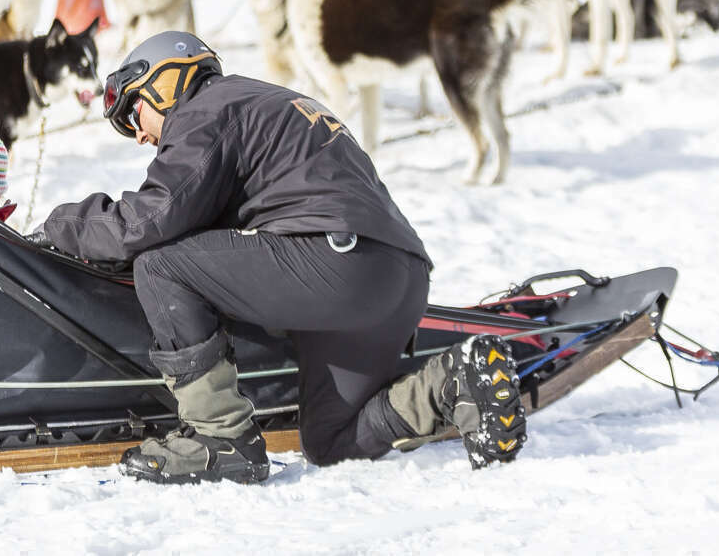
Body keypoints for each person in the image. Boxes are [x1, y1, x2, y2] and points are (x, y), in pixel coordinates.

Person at [31, 30, 526, 485]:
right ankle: (454, 383)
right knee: (331, 441)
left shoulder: (208, 107)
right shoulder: (273, 102)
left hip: (334, 264)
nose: (140, 136)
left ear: (165, 80)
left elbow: (149, 220)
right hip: (398, 276)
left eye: (134, 115)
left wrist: (58, 227)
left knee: (160, 263)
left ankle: (221, 438)